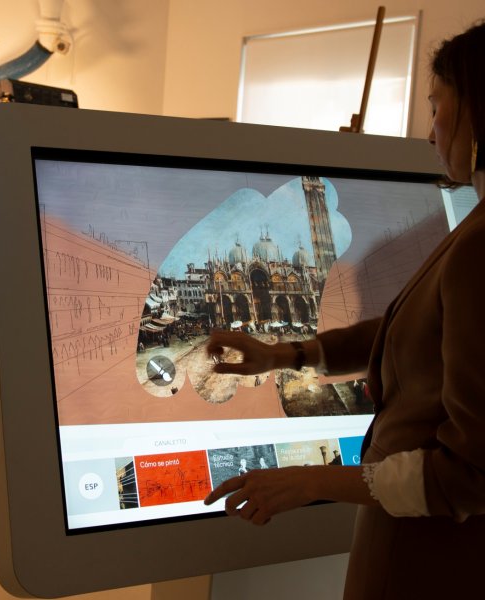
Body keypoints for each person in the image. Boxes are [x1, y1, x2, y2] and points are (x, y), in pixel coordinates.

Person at [204, 21, 485, 600]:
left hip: (427, 556)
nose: (431, 133)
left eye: (437, 107)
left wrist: (309, 483)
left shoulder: (480, 244)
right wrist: (288, 354)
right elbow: (421, 332)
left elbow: (468, 474)